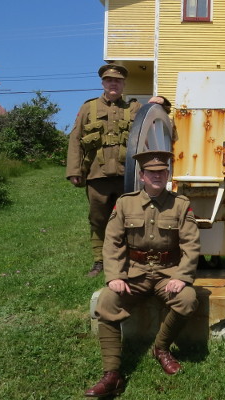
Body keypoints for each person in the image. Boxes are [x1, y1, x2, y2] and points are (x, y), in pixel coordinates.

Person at [84, 150, 201, 398]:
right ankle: (112, 375)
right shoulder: (126, 203)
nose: (157, 176)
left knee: (188, 300)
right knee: (107, 301)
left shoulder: (181, 204)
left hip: (168, 273)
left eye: (162, 172)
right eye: (151, 172)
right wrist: (114, 275)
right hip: (133, 273)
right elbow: (112, 242)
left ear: (168, 174)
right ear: (142, 175)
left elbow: (191, 245)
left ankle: (161, 348)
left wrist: (181, 277)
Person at [66, 63, 135, 278]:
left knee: (129, 219)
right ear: (103, 83)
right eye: (109, 80)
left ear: (123, 84)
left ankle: (127, 259)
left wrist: (162, 102)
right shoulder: (89, 108)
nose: (113, 84)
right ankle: (99, 262)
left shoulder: (134, 109)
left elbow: (153, 129)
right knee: (98, 219)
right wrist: (75, 170)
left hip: (127, 176)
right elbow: (75, 139)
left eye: (118, 81)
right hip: (97, 174)